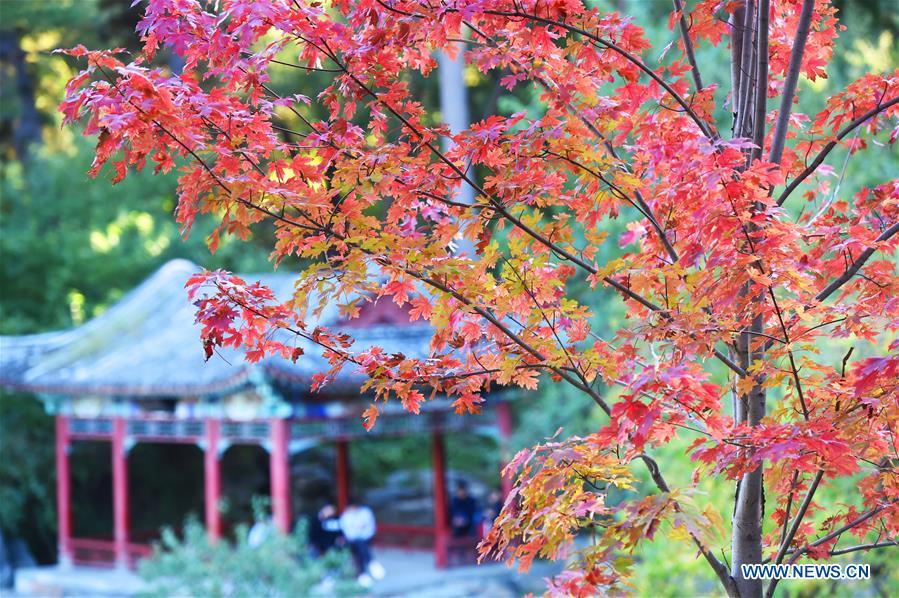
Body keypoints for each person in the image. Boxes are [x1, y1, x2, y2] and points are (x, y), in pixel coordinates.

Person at [339, 500, 384, 586]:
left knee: (360, 548)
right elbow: (347, 530)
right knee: (360, 547)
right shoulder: (346, 516)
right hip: (352, 540)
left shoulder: (365, 513)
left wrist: (363, 533)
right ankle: (371, 562)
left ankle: (363, 573)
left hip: (365, 538)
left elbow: (370, 527)